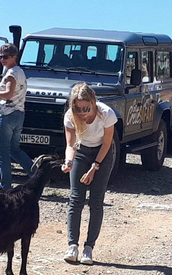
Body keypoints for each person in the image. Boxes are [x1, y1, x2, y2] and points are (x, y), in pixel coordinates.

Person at [62, 82, 117, 265]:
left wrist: (95, 167)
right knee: (76, 198)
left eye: (86, 108)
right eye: (78, 108)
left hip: (103, 153)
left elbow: (107, 144)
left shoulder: (106, 114)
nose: (83, 112)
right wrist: (68, 161)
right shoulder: (71, 116)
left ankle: (89, 248)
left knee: (96, 201)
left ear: (93, 103)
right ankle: (72, 245)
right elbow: (71, 145)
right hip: (81, 152)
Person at [0, 43, 33, 190]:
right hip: (19, 114)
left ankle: (5, 185)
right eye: (0, 57)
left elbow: (8, 94)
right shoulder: (19, 72)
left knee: (2, 152)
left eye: (5, 57)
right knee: (14, 149)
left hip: (6, 115)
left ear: (14, 57)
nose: (2, 60)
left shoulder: (11, 74)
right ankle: (37, 174)